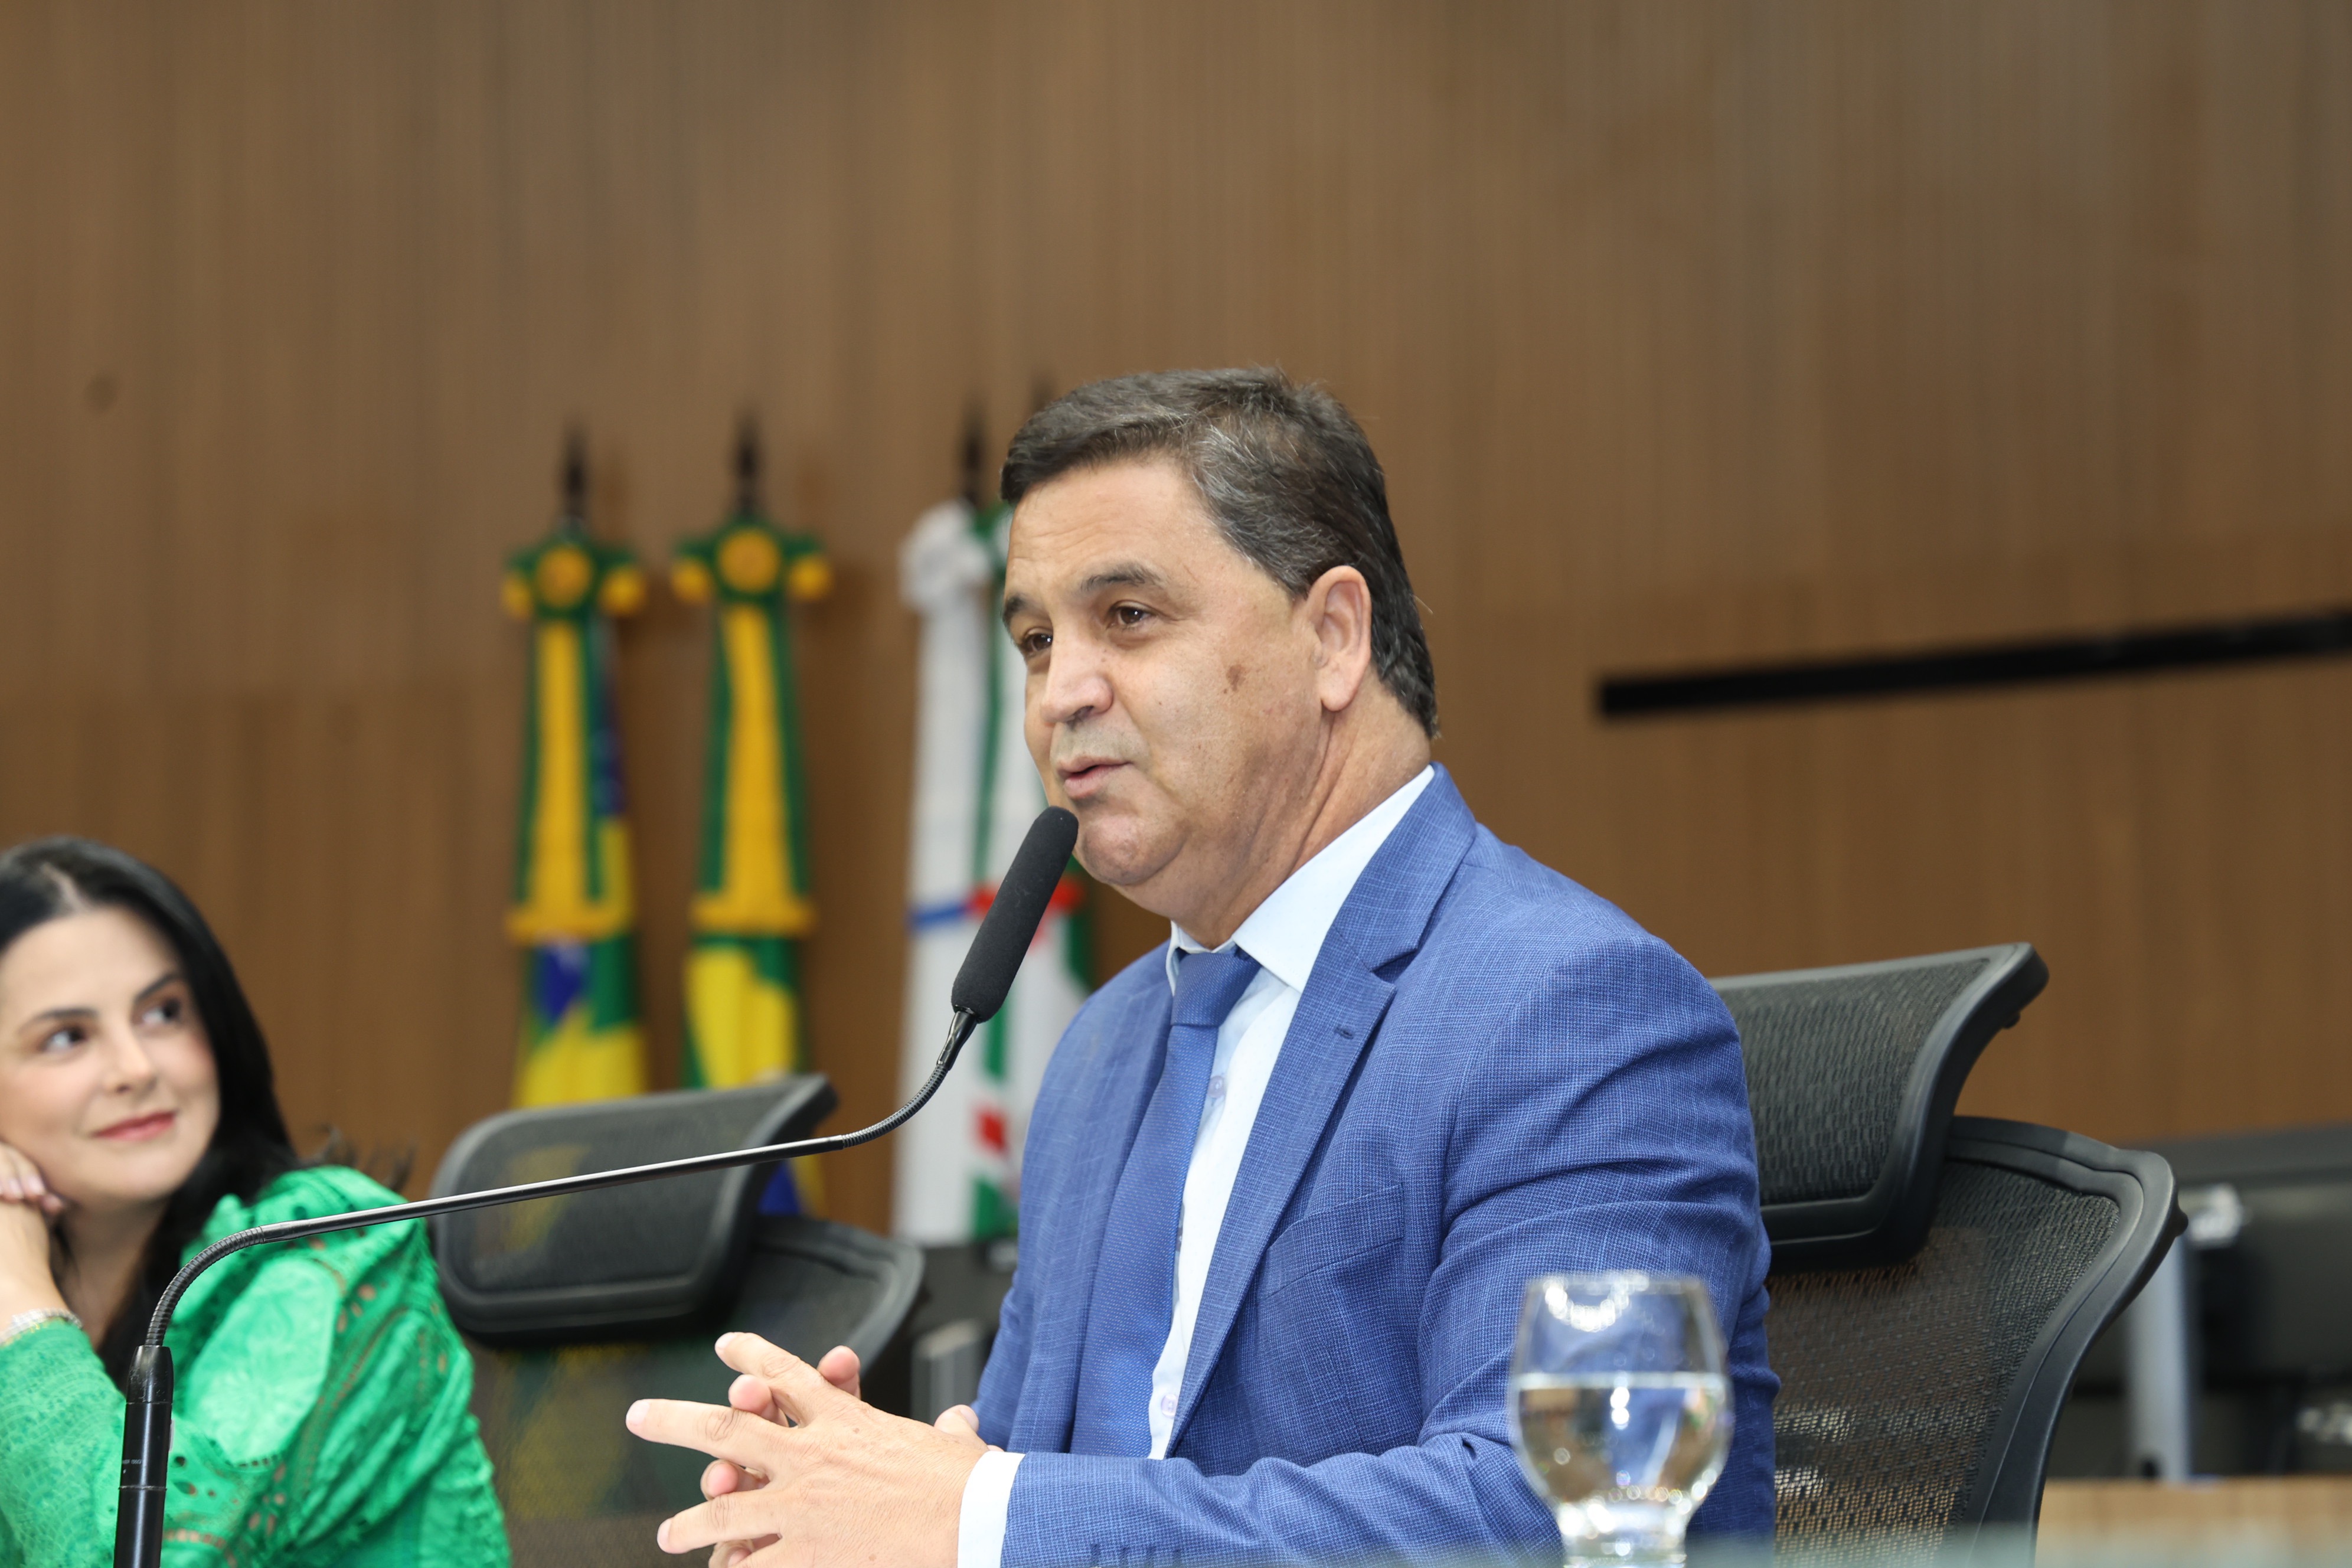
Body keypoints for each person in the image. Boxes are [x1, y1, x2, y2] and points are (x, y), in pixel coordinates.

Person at [625, 368, 1775, 1566]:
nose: (1060, 695)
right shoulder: (1101, 1051)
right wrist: (865, 1505)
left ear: (1333, 637)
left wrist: (977, 1514)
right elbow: (1027, 1502)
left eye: (1127, 616)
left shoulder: (1572, 1009)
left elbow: (1556, 1516)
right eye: (1034, 640)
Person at [0, 837, 508, 1567]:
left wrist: (17, 1298)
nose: (136, 1068)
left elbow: (144, 1556)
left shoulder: (335, 1255)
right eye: (67, 1037)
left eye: (164, 1012)